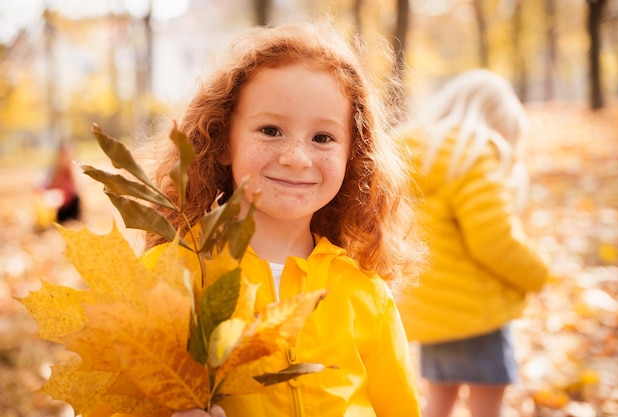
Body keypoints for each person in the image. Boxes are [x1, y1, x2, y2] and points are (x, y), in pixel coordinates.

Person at [140, 20, 428, 417]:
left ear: (353, 155)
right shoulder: (172, 278)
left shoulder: (364, 295)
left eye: (323, 138)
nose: (296, 156)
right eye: (271, 130)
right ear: (223, 142)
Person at [394, 69, 550, 417]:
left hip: (430, 312)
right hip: (477, 314)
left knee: (439, 398)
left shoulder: (412, 153)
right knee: (487, 401)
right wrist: (539, 274)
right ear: (498, 124)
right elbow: (494, 241)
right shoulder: (473, 153)